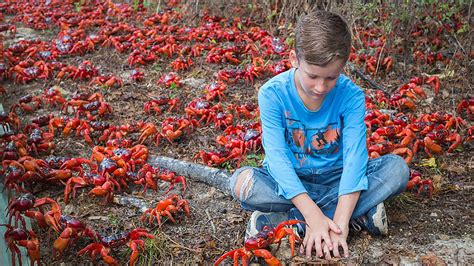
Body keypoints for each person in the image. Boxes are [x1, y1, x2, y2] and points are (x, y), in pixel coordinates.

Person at [229, 10, 409, 260]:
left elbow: (355, 159)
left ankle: (292, 222)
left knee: (397, 169)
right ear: (294, 59)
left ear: (343, 66)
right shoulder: (272, 94)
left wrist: (341, 223)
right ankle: (350, 215)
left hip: (337, 179)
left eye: (331, 77)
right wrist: (314, 214)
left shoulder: (352, 96)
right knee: (242, 182)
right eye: (312, 75)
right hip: (288, 181)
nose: (320, 87)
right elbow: (278, 159)